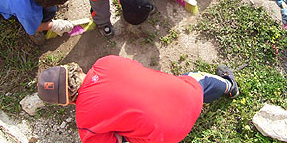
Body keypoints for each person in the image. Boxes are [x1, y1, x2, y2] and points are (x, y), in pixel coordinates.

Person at [37, 55, 239, 143]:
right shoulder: (106, 62)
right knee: (197, 78)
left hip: (169, 136)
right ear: (75, 68)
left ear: (64, 103)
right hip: (188, 96)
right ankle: (230, 86)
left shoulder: (86, 124)